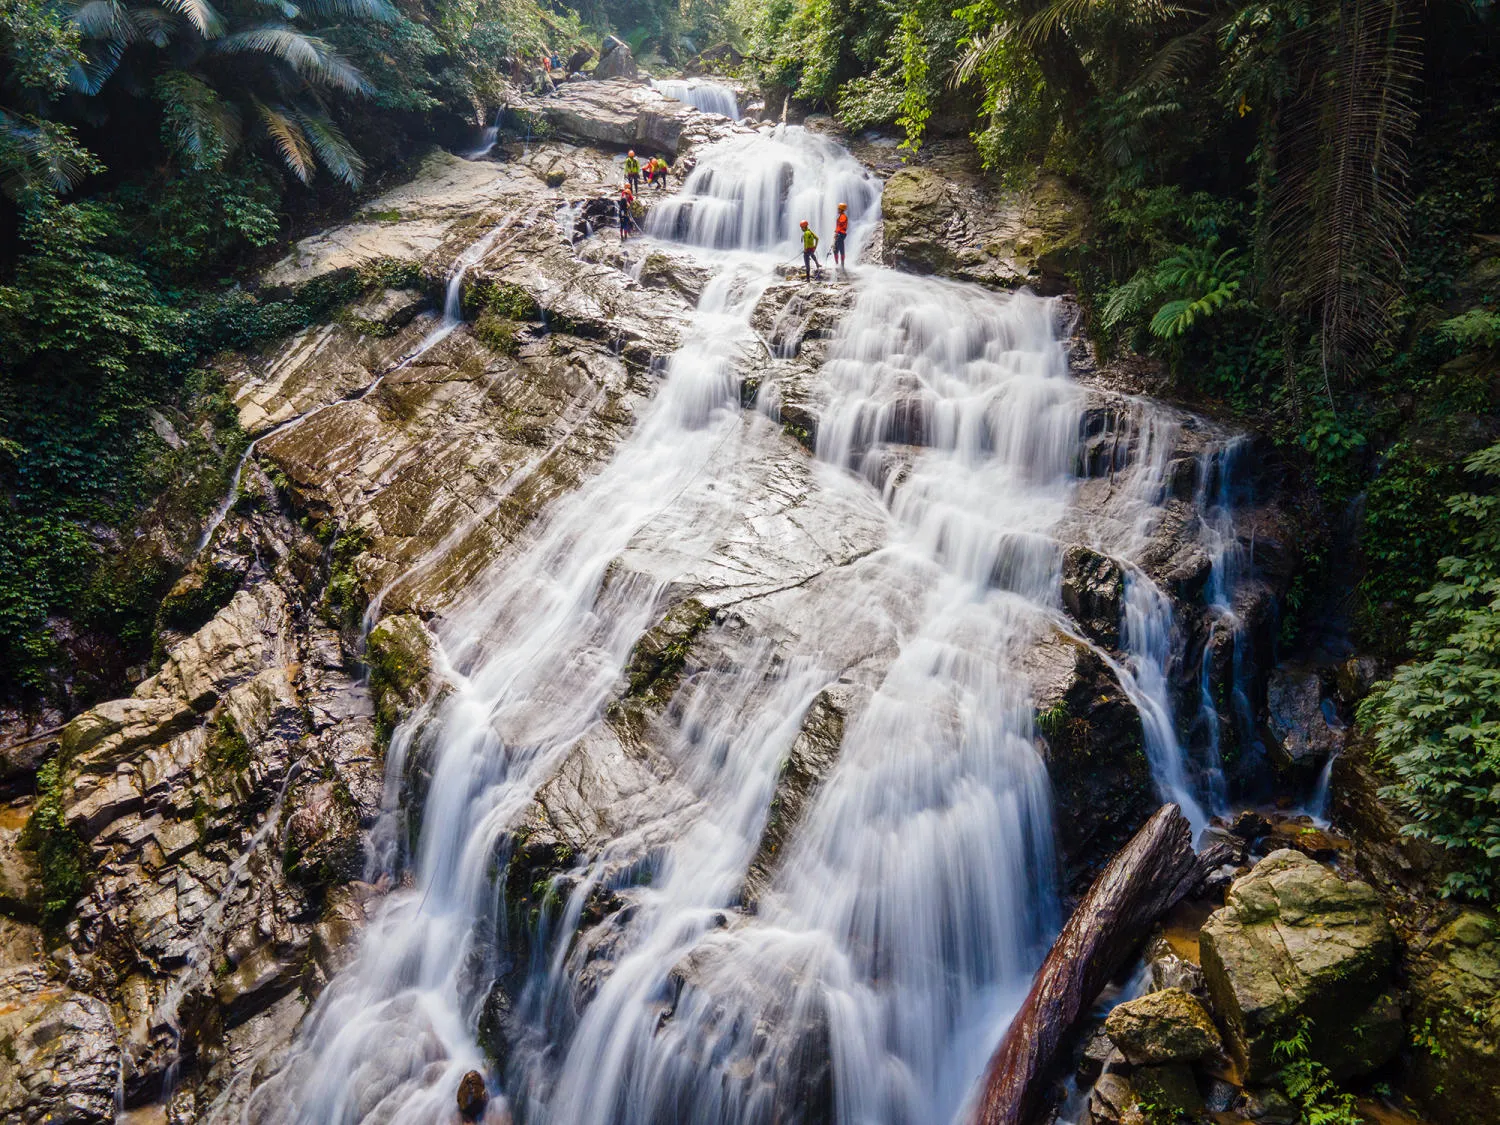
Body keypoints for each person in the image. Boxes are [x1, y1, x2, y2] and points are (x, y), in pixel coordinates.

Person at [832, 201, 849, 268]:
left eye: (838, 208)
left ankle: (841, 265)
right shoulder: (841, 216)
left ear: (841, 209)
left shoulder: (843, 217)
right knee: (837, 249)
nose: (837, 210)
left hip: (841, 234)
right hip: (840, 234)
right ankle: (839, 265)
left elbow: (840, 225)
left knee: (839, 249)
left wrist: (836, 233)